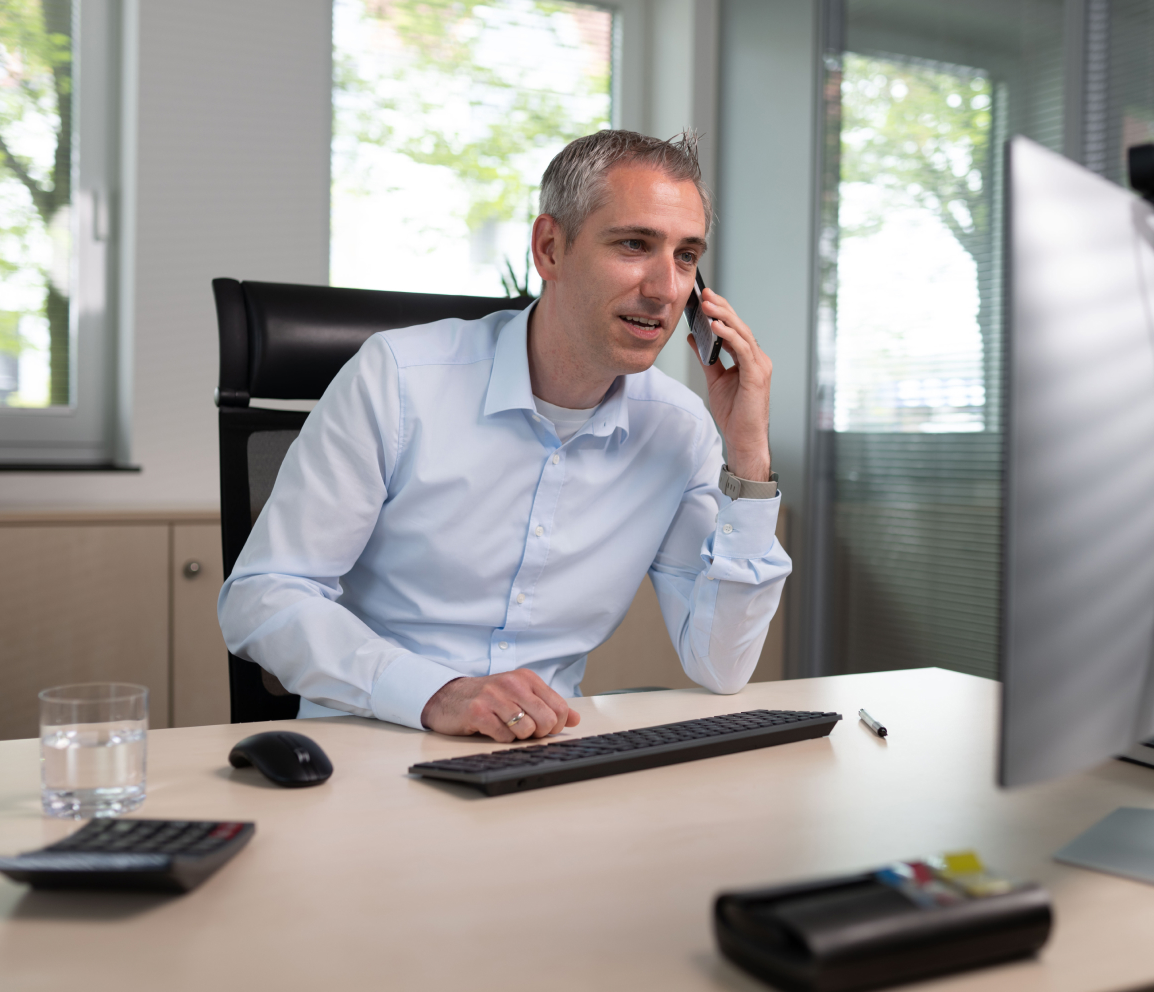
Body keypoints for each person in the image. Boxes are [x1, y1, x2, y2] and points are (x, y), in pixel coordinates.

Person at [218, 129, 791, 743]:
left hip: (545, 754)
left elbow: (721, 664)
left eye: (685, 256)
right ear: (550, 249)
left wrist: (749, 456)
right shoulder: (399, 378)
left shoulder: (679, 430)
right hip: (370, 742)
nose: (666, 289)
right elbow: (263, 597)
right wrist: (436, 693)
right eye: (634, 244)